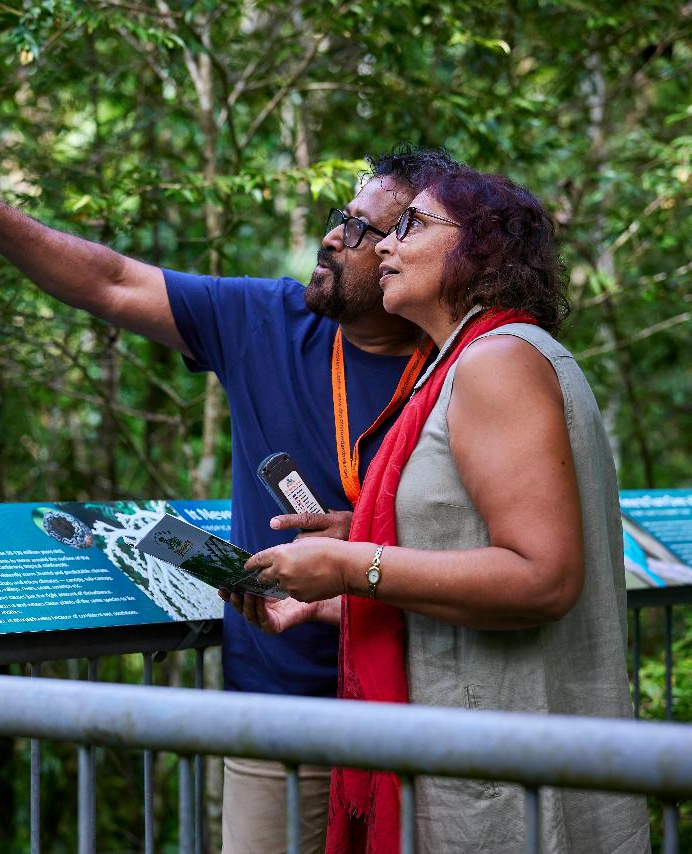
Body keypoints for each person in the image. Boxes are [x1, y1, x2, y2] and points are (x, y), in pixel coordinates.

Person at [0, 104, 459, 853]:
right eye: (336, 217)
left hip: (421, 711)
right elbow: (111, 281)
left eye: (359, 229)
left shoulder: (467, 363)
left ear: (407, 253)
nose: (331, 238)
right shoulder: (269, 322)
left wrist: (370, 544)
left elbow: (504, 541)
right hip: (279, 713)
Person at [241, 169, 650, 853]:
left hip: (505, 770)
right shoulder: (469, 360)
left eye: (411, 226)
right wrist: (329, 599)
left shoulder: (497, 362)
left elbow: (541, 578)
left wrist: (347, 561)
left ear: (481, 249)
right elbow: (465, 564)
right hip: (487, 754)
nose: (383, 246)